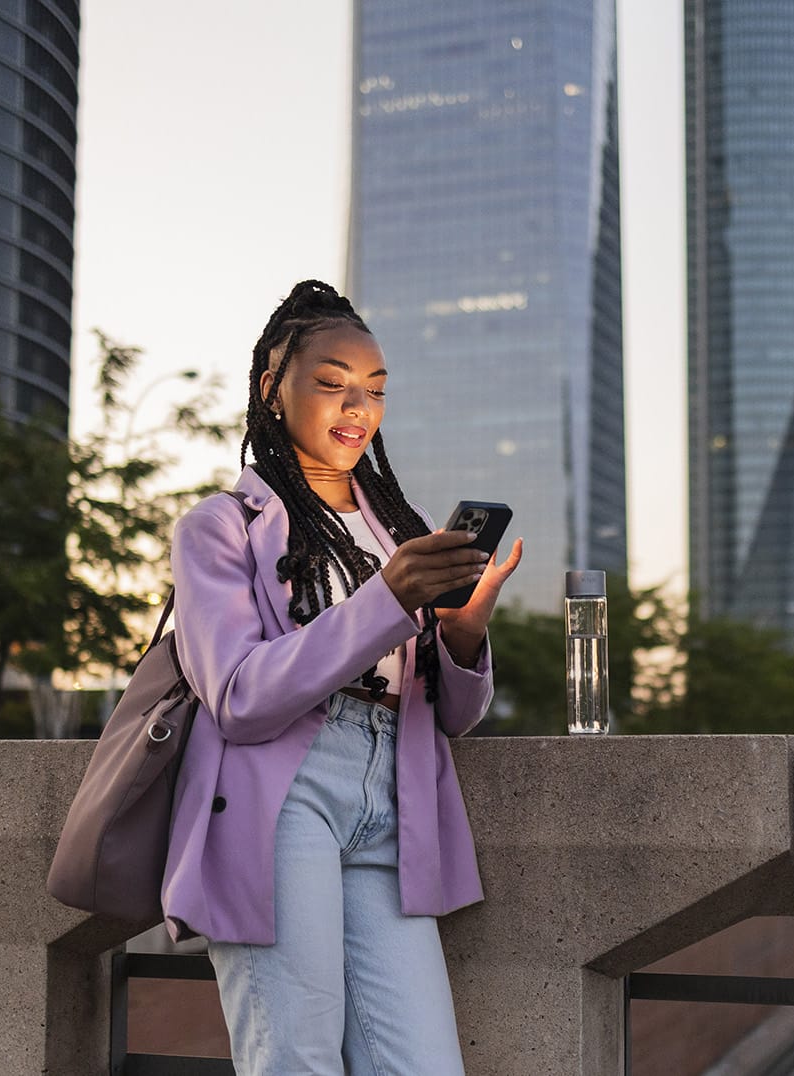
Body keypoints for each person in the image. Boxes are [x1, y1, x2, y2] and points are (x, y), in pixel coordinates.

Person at [161, 279, 523, 1074]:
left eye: (376, 389)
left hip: (392, 797)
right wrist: (390, 597)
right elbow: (239, 697)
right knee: (296, 1059)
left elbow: (450, 717)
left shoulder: (398, 527)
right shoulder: (221, 527)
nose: (357, 406)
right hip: (279, 796)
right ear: (272, 388)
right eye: (331, 383)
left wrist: (461, 638)